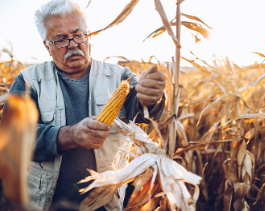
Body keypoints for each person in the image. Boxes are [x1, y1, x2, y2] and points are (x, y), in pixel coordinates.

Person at [5, 0, 166, 210]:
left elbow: (143, 110)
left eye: (78, 34)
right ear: (47, 45)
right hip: (44, 203)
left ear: (88, 35)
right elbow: (13, 141)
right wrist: (70, 135)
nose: (72, 44)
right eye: (61, 39)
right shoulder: (27, 81)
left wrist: (151, 97)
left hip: (106, 201)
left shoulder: (120, 76)